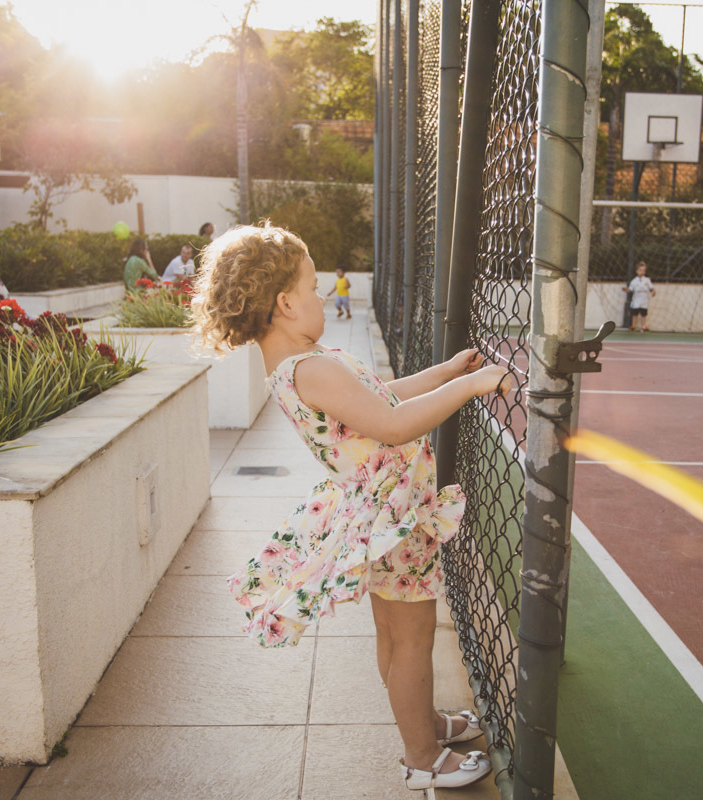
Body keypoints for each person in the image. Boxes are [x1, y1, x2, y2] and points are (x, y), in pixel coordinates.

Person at [195, 223, 506, 793]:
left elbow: (381, 398)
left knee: (395, 635)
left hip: (378, 517)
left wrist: (446, 373)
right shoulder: (313, 369)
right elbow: (391, 423)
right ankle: (422, 756)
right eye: (313, 289)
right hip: (396, 520)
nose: (321, 298)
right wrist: (474, 387)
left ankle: (426, 724)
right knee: (412, 639)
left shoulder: (300, 366)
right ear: (287, 303)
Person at [623, 261, 656, 332]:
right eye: (640, 270)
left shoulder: (647, 280)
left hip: (644, 300)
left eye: (643, 270)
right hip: (636, 300)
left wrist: (653, 292)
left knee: (643, 314)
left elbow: (651, 288)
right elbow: (630, 289)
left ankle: (643, 326)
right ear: (636, 271)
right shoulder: (634, 281)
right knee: (635, 314)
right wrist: (627, 290)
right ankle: (633, 326)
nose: (642, 272)